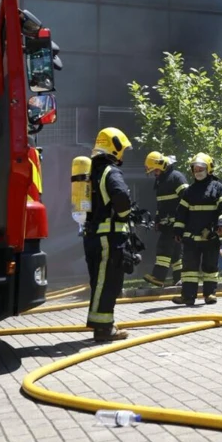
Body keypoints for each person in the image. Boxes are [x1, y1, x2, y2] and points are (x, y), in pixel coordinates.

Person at [84, 127, 135, 342]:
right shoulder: (110, 171)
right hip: (108, 237)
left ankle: (104, 324)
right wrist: (125, 215)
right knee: (108, 282)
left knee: (99, 281)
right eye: (122, 148)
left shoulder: (91, 171)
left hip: (93, 235)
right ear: (114, 146)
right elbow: (121, 197)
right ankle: (103, 330)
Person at [173, 153, 222, 306]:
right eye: (195, 168)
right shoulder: (189, 191)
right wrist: (178, 230)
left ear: (209, 169)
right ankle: (188, 296)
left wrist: (221, 225)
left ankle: (210, 294)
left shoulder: (218, 188)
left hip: (210, 236)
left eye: (201, 168)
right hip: (191, 238)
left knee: (210, 267)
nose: (198, 171)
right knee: (189, 269)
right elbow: (181, 213)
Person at [143, 152, 188, 288]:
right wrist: (158, 219)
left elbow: (187, 199)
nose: (155, 174)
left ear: (162, 166)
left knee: (163, 248)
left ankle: (158, 277)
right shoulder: (161, 180)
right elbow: (161, 204)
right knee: (175, 254)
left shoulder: (176, 178)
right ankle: (179, 280)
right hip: (167, 223)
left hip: (176, 223)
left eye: (155, 170)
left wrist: (182, 220)